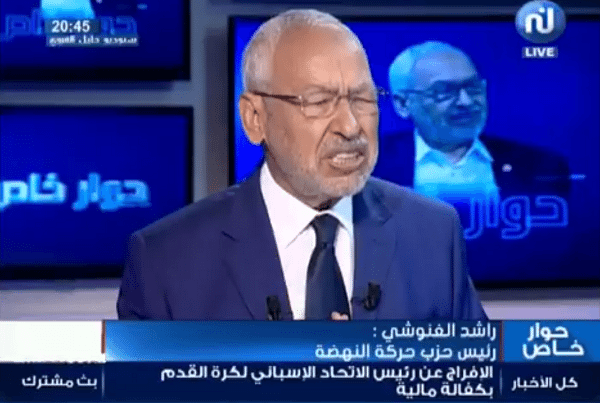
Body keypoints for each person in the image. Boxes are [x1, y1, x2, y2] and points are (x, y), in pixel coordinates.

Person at [117, 10, 487, 320]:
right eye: (318, 102)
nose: (350, 126)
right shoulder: (165, 260)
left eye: (362, 99)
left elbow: (481, 375)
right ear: (254, 118)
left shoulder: (433, 233)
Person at [374, 41, 570, 201]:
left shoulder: (541, 165)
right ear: (403, 104)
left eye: (473, 88)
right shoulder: (370, 164)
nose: (466, 101)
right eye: (444, 92)